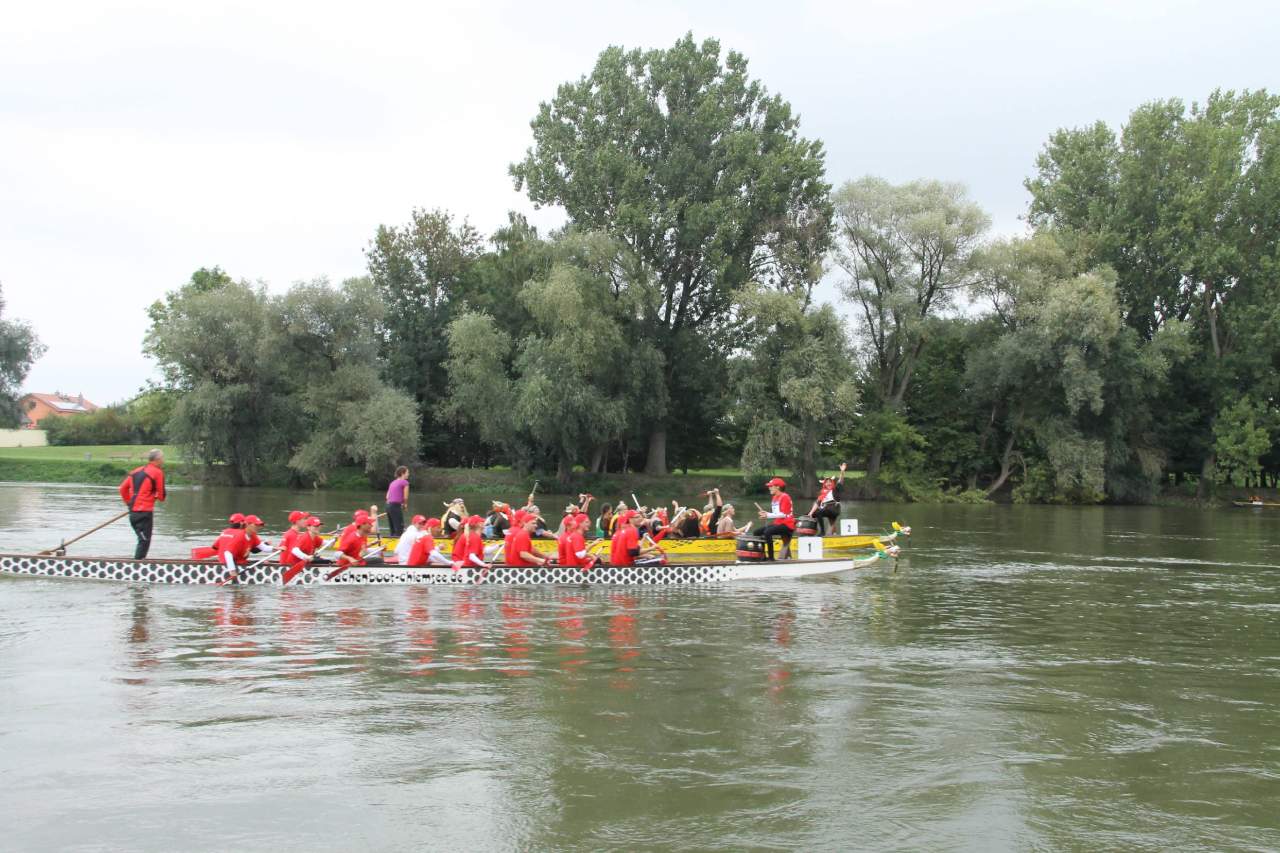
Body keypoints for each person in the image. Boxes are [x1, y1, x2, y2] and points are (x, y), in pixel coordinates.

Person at [118, 448, 166, 559]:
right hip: (145, 513)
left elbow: (122, 489)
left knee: (142, 540)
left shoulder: (136, 471)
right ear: (157, 459)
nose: (163, 461)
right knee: (144, 541)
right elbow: (162, 496)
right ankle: (137, 566)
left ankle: (138, 563)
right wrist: (154, 496)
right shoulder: (158, 472)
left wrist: (129, 504)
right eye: (162, 458)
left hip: (133, 514)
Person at [325, 509, 383, 579]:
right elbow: (336, 553)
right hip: (347, 565)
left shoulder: (362, 535)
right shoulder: (352, 538)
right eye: (369, 524)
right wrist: (350, 559)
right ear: (362, 525)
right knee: (379, 560)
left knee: (379, 559)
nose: (371, 525)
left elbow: (359, 550)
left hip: (358, 562)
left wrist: (375, 547)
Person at [754, 477, 796, 560]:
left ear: (778, 487)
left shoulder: (785, 497)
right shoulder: (774, 498)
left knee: (767, 532)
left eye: (771, 486)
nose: (769, 488)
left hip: (787, 525)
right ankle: (762, 556)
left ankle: (771, 558)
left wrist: (768, 515)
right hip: (778, 523)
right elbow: (775, 514)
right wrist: (766, 514)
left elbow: (783, 514)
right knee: (756, 532)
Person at [809, 462, 847, 535]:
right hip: (827, 509)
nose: (829, 483)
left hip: (834, 509)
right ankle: (832, 534)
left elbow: (840, 481)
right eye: (827, 482)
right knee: (812, 514)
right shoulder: (822, 493)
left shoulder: (835, 489)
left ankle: (822, 532)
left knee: (819, 513)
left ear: (832, 483)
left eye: (830, 482)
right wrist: (810, 512)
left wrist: (842, 471)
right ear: (824, 484)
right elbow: (817, 503)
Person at [385, 466, 411, 536]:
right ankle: (397, 544)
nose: (408, 474)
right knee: (399, 528)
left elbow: (387, 497)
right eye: (407, 472)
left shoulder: (392, 482)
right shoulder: (405, 482)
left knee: (392, 528)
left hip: (388, 506)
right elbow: (405, 497)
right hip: (395, 506)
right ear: (403, 473)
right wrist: (405, 505)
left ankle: (391, 541)